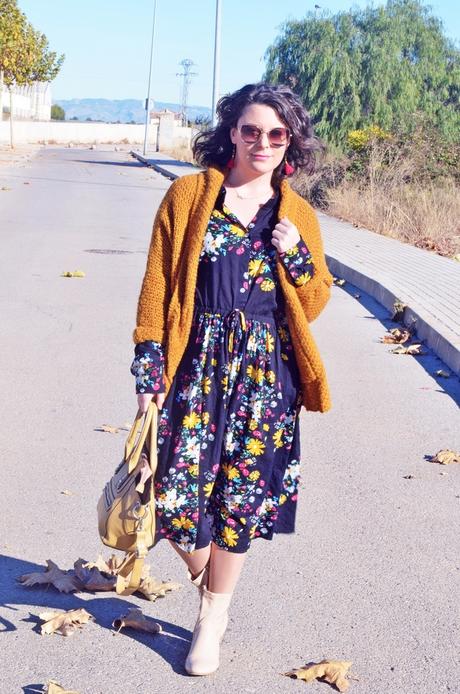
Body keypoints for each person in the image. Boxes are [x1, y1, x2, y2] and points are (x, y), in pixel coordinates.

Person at [131, 82, 333, 676]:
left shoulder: (298, 214)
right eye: (251, 130)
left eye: (276, 133)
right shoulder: (189, 195)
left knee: (239, 499)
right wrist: (149, 366)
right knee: (173, 492)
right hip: (195, 364)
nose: (263, 143)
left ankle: (212, 619)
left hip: (267, 373)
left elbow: (315, 301)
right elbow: (156, 286)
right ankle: (209, 590)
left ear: (289, 140)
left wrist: (295, 255)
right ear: (231, 132)